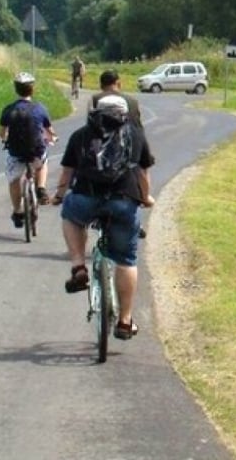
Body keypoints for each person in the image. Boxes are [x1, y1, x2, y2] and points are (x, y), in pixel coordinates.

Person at [51, 95, 156, 340]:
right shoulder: (136, 135)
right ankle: (125, 321)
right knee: (127, 260)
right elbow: (142, 173)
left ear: (96, 112)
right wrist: (146, 197)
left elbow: (67, 171)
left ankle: (78, 266)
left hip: (86, 197)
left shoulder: (80, 135)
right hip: (122, 201)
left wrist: (59, 194)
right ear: (125, 113)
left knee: (70, 214)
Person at [0, 72, 58, 228]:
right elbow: (49, 131)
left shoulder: (9, 109)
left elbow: (2, 133)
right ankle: (41, 188)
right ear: (32, 89)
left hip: (16, 152)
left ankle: (18, 211)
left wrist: (5, 140)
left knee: (14, 180)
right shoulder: (40, 108)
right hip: (36, 150)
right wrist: (52, 138)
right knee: (43, 161)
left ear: (16, 89)